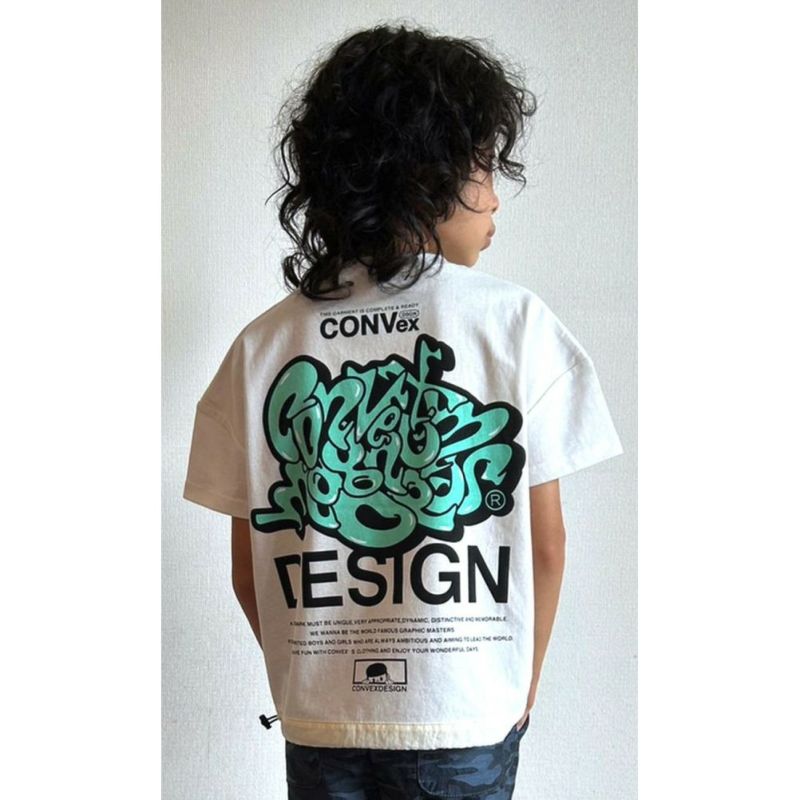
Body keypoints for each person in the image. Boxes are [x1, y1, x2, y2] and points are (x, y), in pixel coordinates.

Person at [182, 23, 624, 800]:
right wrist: (519, 687)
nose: (496, 199)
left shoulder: (262, 346)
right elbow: (547, 546)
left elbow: (249, 571)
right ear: (428, 172)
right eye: (485, 166)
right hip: (461, 716)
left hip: (321, 722)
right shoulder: (515, 325)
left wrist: (310, 685)